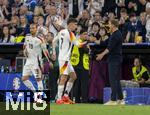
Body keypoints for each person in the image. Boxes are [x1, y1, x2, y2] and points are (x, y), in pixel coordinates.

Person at [52, 18, 88, 104]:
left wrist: (53, 53)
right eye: (75, 25)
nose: (76, 27)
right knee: (64, 78)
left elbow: (54, 41)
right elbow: (78, 44)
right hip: (64, 59)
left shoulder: (61, 32)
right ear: (71, 24)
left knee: (73, 77)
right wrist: (86, 41)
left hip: (65, 59)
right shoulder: (70, 33)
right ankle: (59, 98)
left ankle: (65, 96)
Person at [96, 19, 124, 105]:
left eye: (109, 24)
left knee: (113, 79)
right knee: (116, 79)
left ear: (113, 25)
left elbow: (109, 48)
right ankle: (120, 99)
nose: (108, 26)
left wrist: (101, 55)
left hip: (114, 59)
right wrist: (94, 40)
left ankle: (113, 100)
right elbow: (105, 43)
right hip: (115, 59)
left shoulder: (116, 35)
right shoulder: (114, 34)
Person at [22, 24, 52, 92]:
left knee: (38, 79)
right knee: (24, 79)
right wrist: (24, 51)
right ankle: (35, 92)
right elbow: (24, 46)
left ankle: (40, 98)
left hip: (36, 62)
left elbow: (45, 51)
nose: (31, 30)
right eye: (30, 28)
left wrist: (49, 61)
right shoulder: (27, 36)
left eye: (33, 28)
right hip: (28, 61)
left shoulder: (40, 39)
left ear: (36, 29)